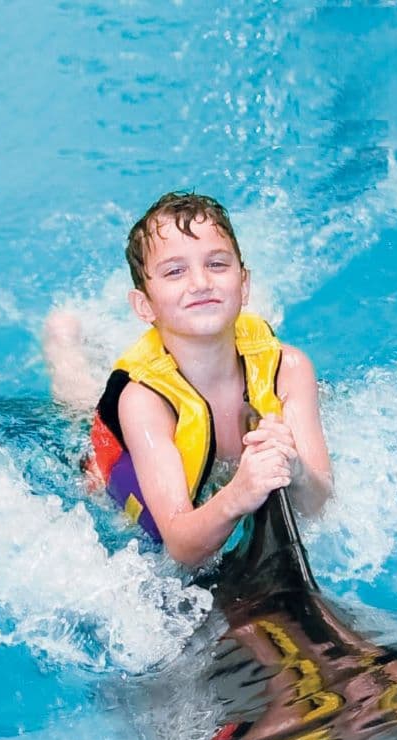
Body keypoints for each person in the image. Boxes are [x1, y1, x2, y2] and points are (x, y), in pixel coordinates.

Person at [43, 191, 332, 567]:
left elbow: (320, 501)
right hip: (117, 447)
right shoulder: (144, 401)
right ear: (144, 305)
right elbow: (180, 545)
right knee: (77, 405)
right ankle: (63, 346)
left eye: (217, 265)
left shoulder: (289, 369)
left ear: (243, 285)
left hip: (231, 359)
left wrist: (295, 470)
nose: (200, 282)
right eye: (175, 271)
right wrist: (238, 494)